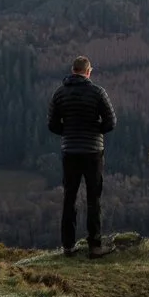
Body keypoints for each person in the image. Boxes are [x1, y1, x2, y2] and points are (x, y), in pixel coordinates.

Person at [46, 56, 117, 256]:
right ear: (88, 71)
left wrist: (69, 132)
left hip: (70, 151)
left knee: (69, 197)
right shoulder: (97, 92)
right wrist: (96, 131)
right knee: (94, 198)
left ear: (72, 70)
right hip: (93, 151)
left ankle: (68, 246)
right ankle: (95, 245)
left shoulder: (59, 94)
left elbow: (52, 124)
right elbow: (111, 121)